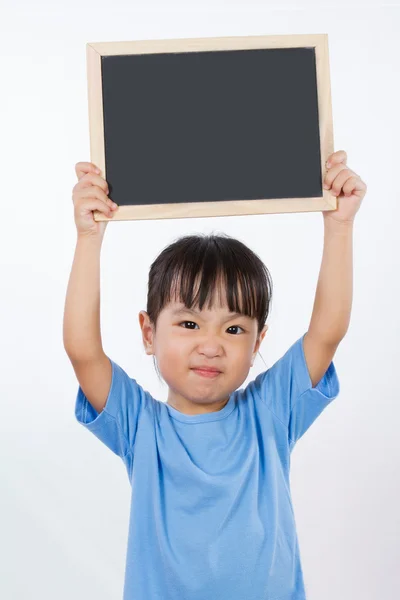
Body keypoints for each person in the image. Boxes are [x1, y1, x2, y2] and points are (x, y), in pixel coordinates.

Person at [63, 152, 367, 600]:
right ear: (149, 332)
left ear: (258, 343)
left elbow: (327, 331)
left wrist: (339, 226)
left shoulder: (270, 412)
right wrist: (89, 238)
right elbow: (82, 350)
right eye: (189, 324)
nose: (212, 344)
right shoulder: (141, 426)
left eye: (234, 328)